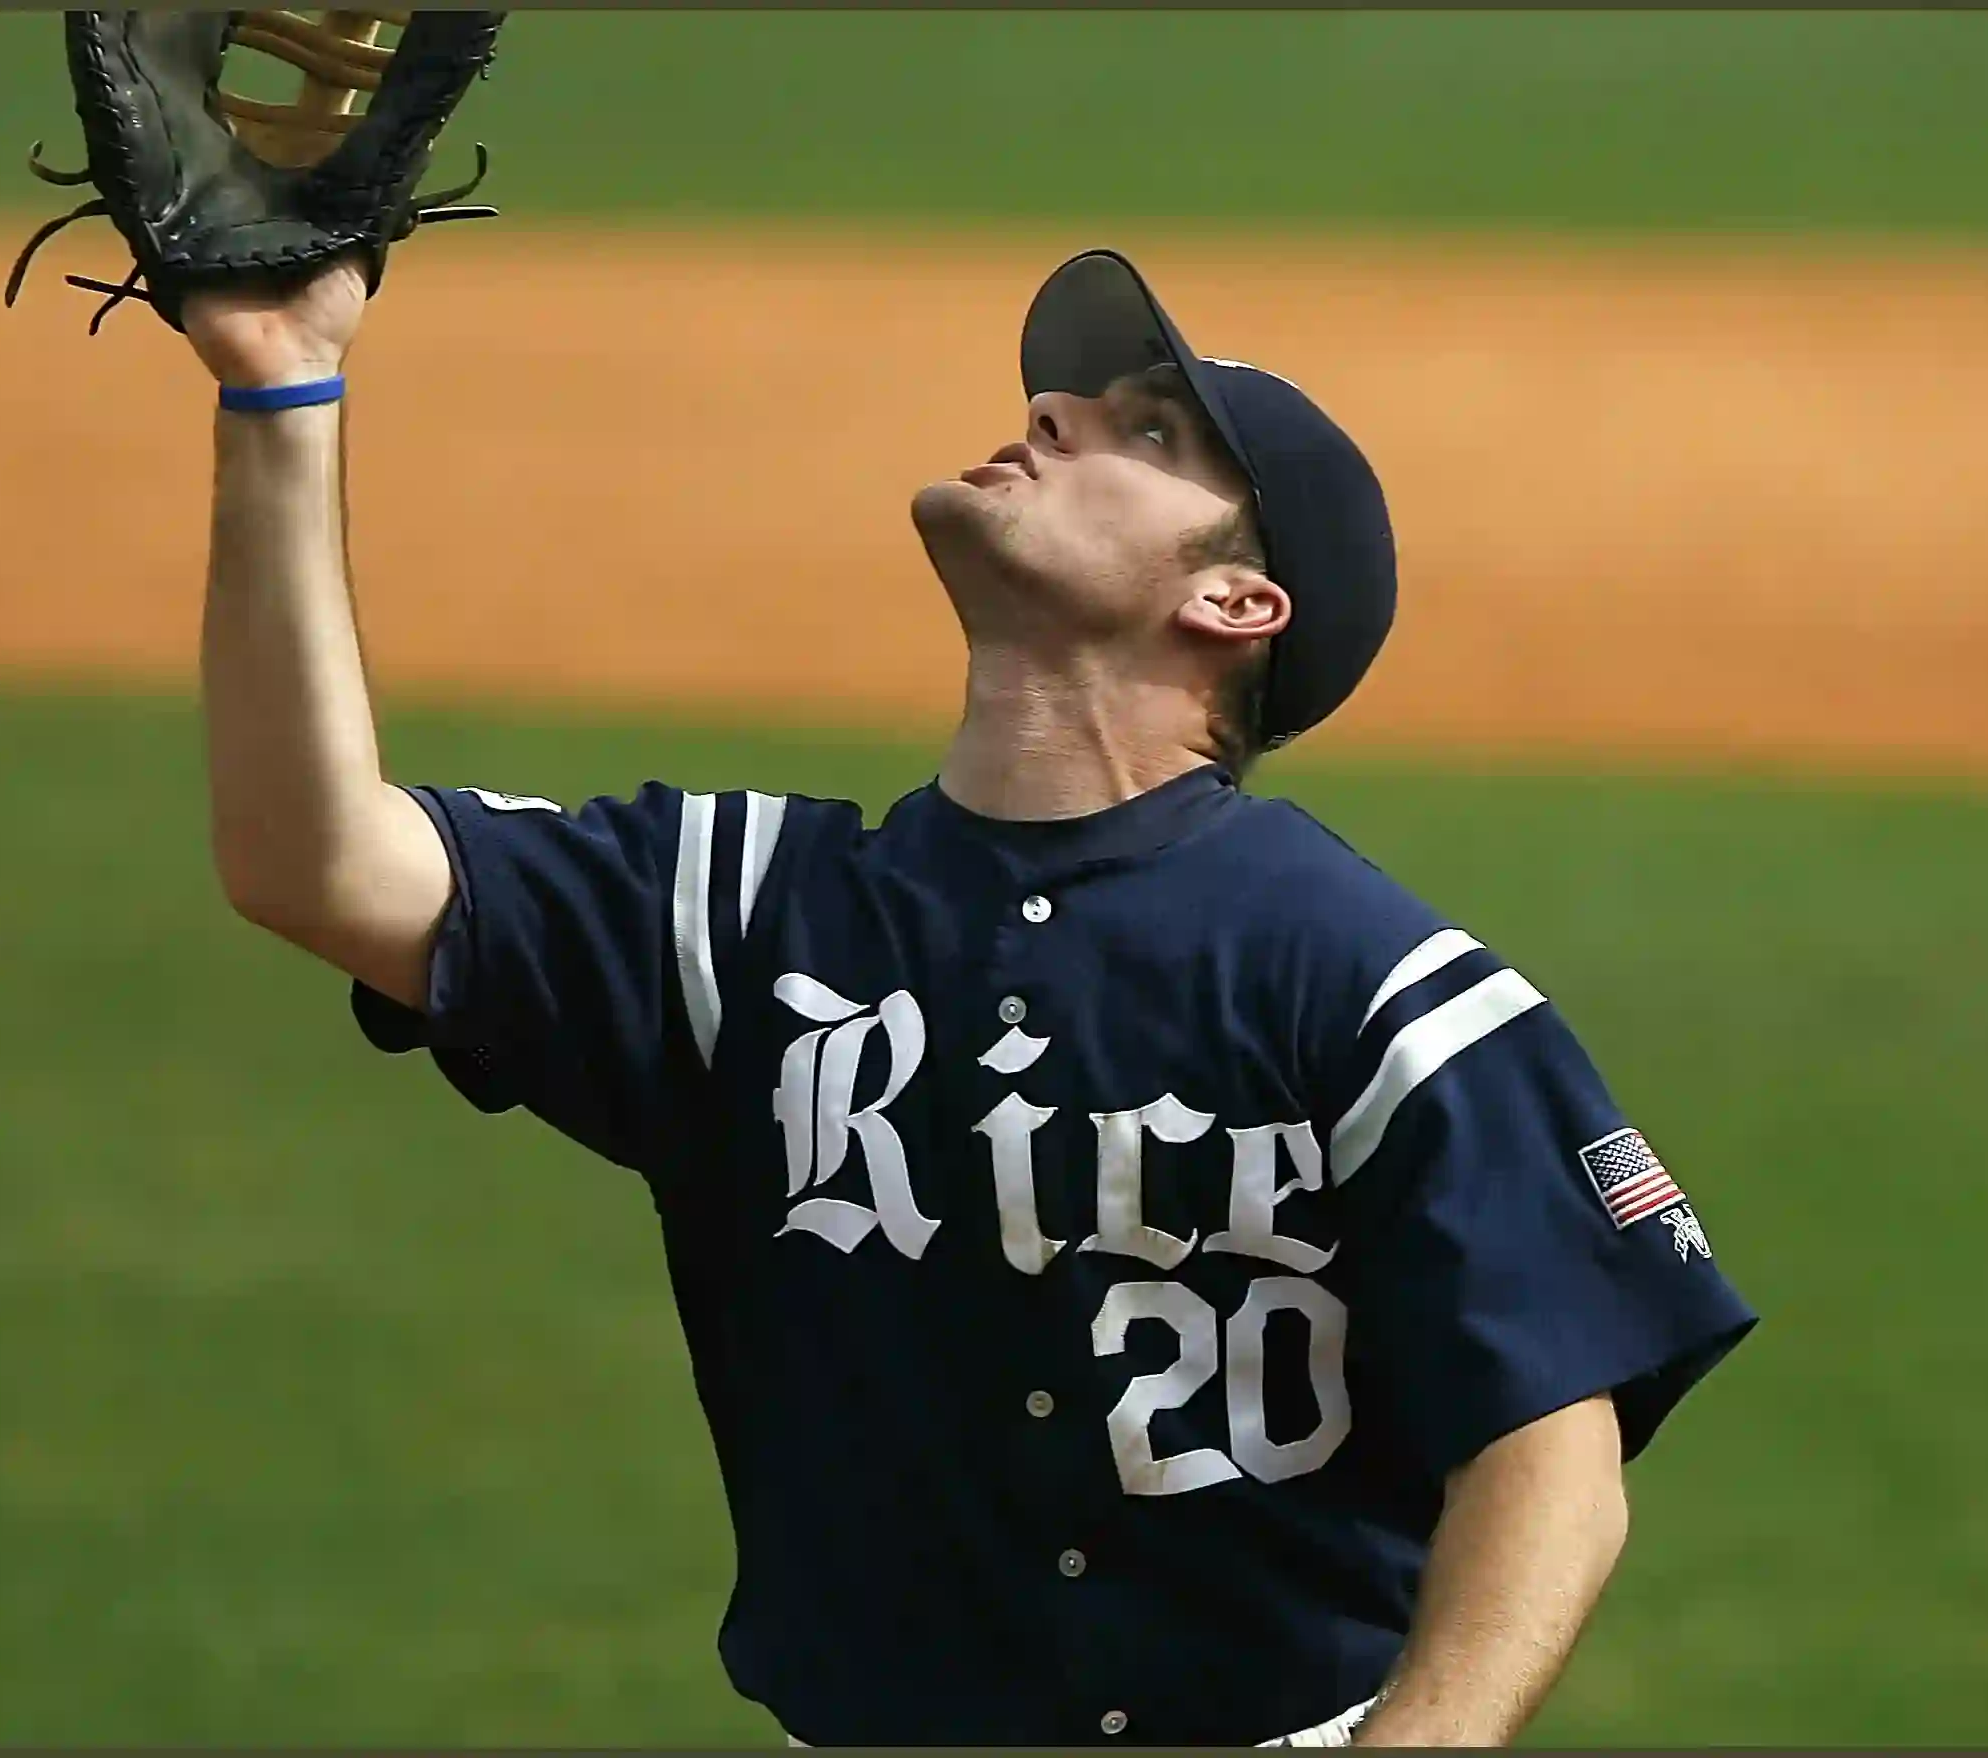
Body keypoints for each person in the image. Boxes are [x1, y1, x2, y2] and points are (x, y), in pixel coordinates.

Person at [182, 244, 1757, 1747]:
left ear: (1234, 605)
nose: (1049, 414)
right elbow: (310, 861)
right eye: (1072, 401)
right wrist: (280, 388)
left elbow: (1556, 1442)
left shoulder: (1357, 977)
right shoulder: (743, 917)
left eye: (1146, 430)